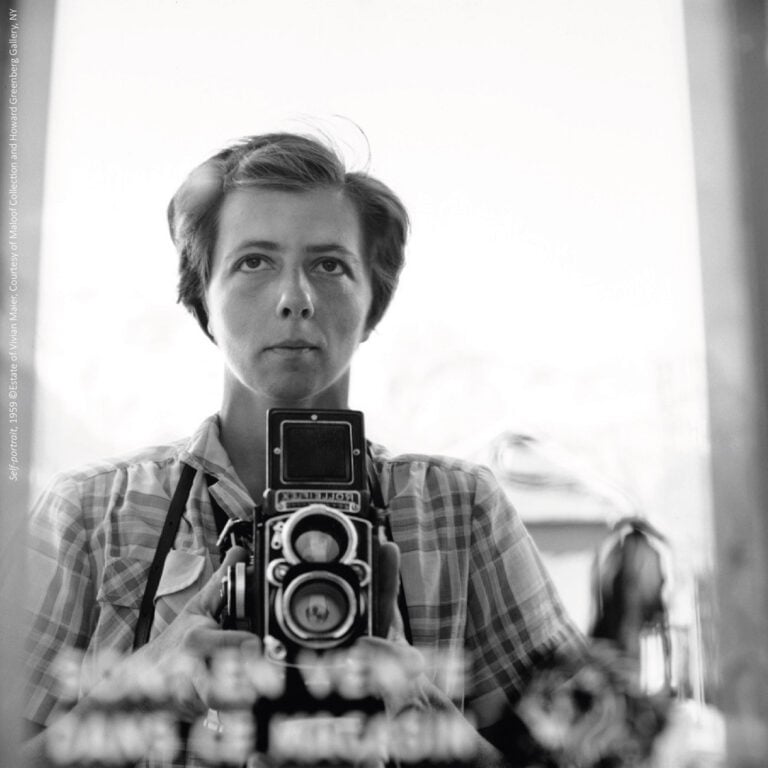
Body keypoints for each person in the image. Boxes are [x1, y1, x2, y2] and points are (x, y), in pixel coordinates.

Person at [24, 133, 583, 767]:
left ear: (374, 303)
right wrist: (144, 694)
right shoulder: (91, 515)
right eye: (254, 262)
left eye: (330, 264)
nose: (296, 297)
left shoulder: (461, 511)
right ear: (201, 297)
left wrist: (423, 721)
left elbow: (596, 754)